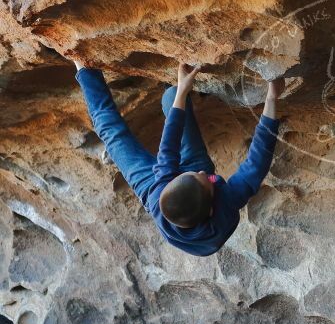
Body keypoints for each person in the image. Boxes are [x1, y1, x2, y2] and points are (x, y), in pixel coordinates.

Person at [74, 60, 284, 256]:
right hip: (171, 186)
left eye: (198, 175)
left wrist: (182, 91)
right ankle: (174, 96)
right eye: (204, 177)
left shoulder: (161, 191)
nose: (204, 173)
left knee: (112, 133)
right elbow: (256, 165)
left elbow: (169, 147)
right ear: (213, 205)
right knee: (172, 97)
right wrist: (272, 98)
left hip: (152, 186)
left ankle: (84, 68)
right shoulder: (224, 206)